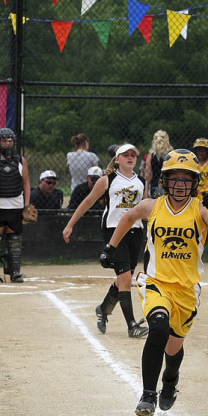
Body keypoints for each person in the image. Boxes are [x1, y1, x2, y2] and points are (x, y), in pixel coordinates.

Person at [100, 149, 208, 416]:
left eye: (187, 179)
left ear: (195, 182)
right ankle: (148, 394)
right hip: (155, 282)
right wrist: (111, 247)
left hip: (186, 289)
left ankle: (170, 381)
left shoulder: (201, 208)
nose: (180, 184)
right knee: (158, 329)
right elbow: (128, 217)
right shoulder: (153, 205)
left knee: (173, 348)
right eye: (175, 178)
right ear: (165, 180)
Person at [63, 143, 148, 339]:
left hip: (135, 232)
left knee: (123, 279)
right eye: (125, 155)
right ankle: (132, 325)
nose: (129, 157)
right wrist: (70, 224)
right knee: (126, 279)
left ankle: (103, 309)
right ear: (116, 159)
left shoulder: (141, 181)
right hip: (114, 231)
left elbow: (143, 208)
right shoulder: (108, 179)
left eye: (133, 155)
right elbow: (88, 201)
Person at [0, 127, 30, 283]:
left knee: (14, 239)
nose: (7, 143)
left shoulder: (21, 160)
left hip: (16, 205)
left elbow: (26, 182)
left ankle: (15, 272)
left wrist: (27, 203)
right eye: (4, 140)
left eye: (10, 141)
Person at [144, 130, 173, 198]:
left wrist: (145, 192)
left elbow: (147, 177)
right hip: (169, 186)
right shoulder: (171, 154)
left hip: (154, 186)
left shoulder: (150, 155)